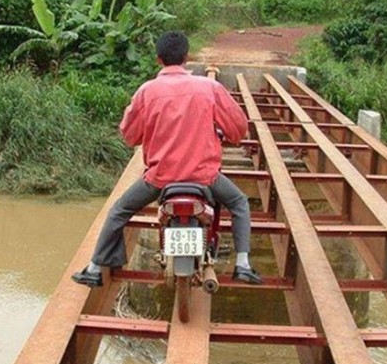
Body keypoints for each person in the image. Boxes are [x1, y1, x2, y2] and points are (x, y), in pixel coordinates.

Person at [72, 31, 262, 288]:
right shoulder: (210, 88)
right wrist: (225, 136)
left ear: (158, 59)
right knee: (239, 202)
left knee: (119, 210)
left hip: (159, 179)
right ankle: (243, 264)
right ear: (186, 57)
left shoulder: (146, 92)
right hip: (204, 177)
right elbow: (238, 129)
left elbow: (130, 136)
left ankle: (95, 268)